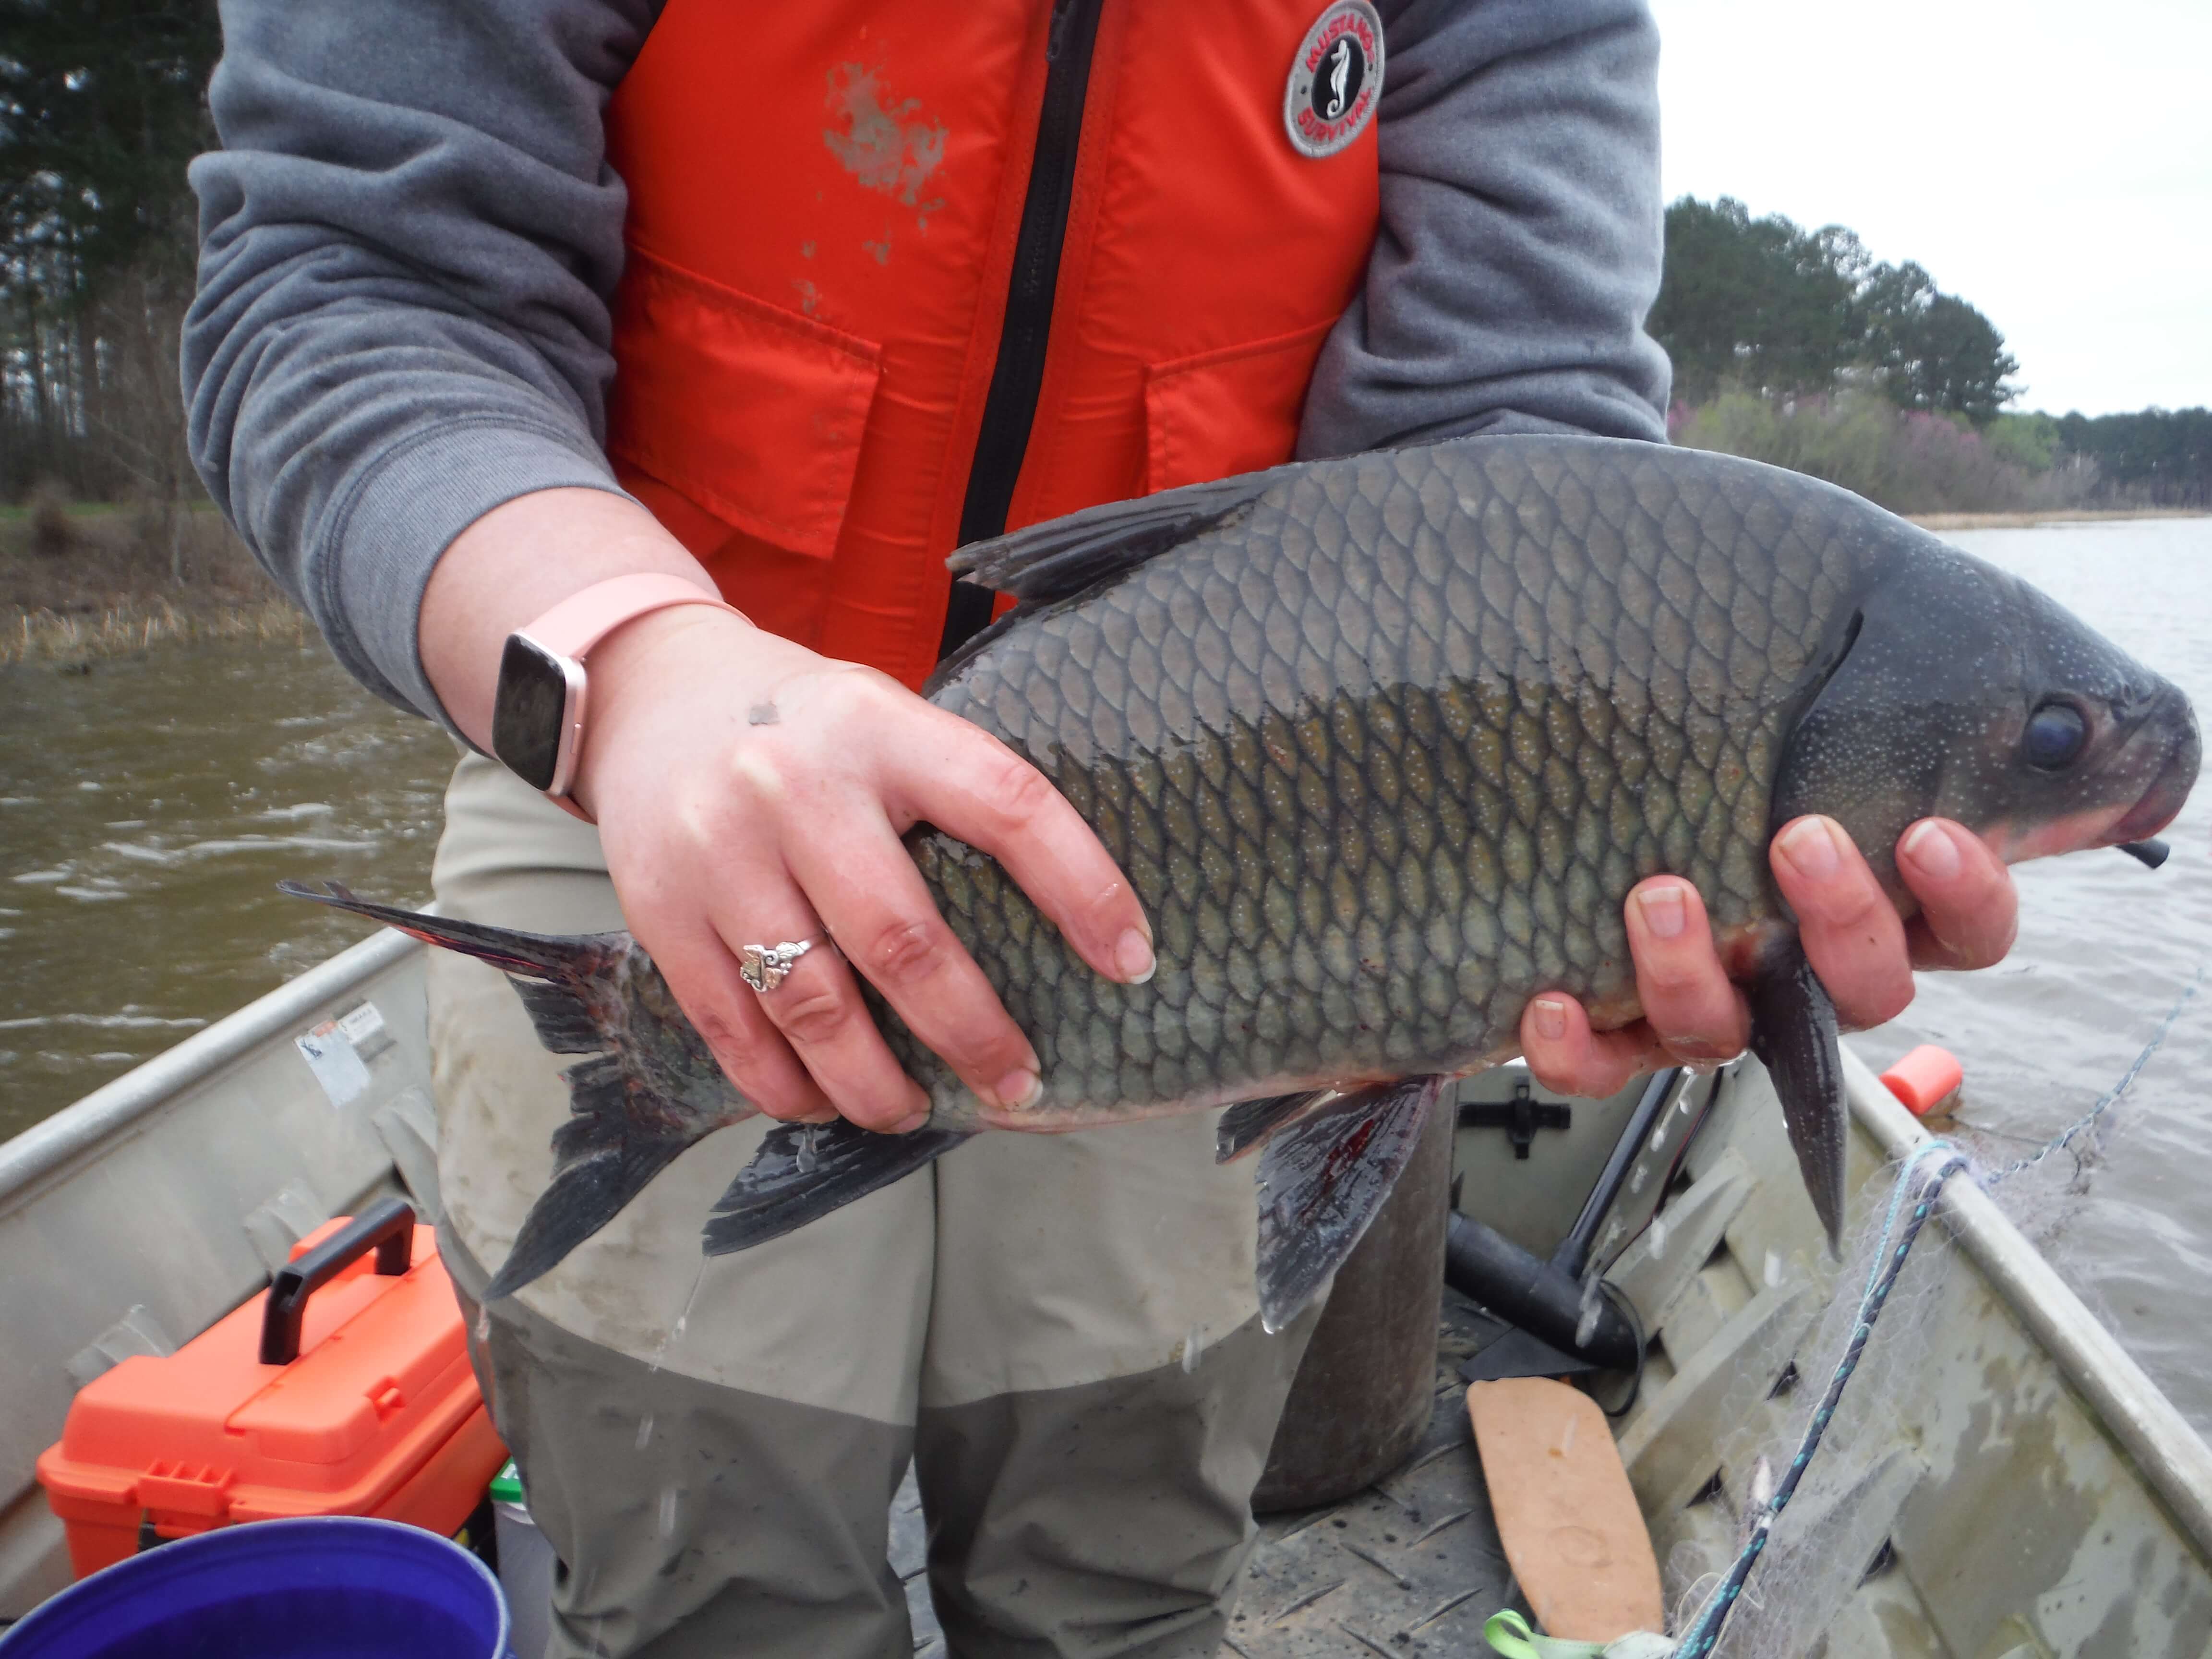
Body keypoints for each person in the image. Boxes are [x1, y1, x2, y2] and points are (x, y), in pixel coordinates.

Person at [184, 1, 2019, 1654]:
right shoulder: (618, 692)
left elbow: (1508, 461)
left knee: (1117, 1582)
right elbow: (352, 283)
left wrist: (1565, 874)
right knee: (704, 1585)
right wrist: (630, 672)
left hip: (1241, 844)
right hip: (620, 724)